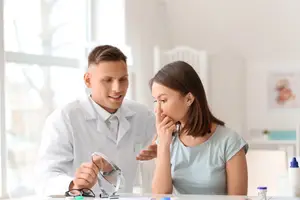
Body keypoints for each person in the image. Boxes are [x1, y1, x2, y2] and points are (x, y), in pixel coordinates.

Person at [34, 45, 157, 196]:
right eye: (108, 80)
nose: (117, 88)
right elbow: (45, 178)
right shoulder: (64, 119)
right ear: (88, 80)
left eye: (123, 79)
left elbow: (171, 154)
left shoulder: (143, 115)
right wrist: (74, 184)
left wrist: (163, 148)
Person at [150, 61, 248, 195]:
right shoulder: (166, 139)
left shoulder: (229, 142)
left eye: (163, 100)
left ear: (189, 99)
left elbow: (238, 199)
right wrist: (163, 145)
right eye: (155, 101)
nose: (157, 110)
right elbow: (160, 196)